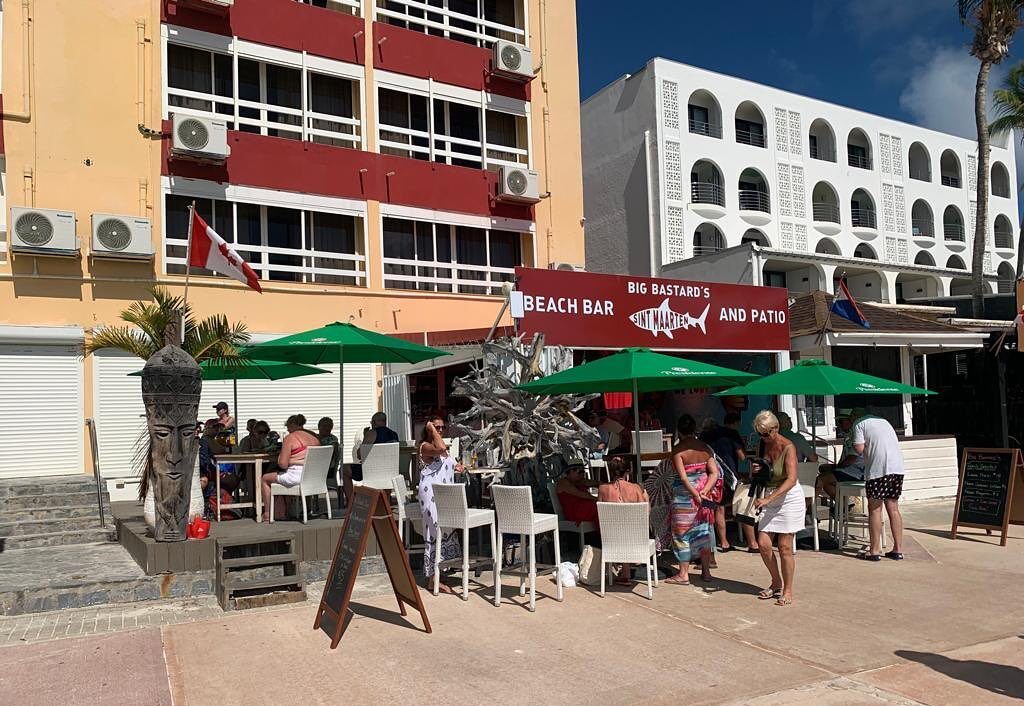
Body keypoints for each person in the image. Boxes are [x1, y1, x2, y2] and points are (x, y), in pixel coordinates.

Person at [751, 410, 802, 606]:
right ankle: (776, 581)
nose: (763, 437)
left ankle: (787, 590)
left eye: (766, 433)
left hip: (788, 497)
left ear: (776, 428)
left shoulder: (788, 446)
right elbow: (759, 470)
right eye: (760, 434)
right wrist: (756, 469)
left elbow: (791, 479)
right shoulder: (761, 444)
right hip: (770, 495)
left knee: (784, 546)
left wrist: (769, 499)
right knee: (763, 543)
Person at [662, 414, 719, 586]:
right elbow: (714, 473)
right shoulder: (705, 448)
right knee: (703, 534)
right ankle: (706, 572)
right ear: (695, 429)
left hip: (683, 499)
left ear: (679, 430)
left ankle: (683, 574)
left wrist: (694, 493)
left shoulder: (678, 451)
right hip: (703, 497)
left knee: (682, 535)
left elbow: (684, 478)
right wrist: (704, 491)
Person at [416, 414, 462, 592]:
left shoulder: (440, 449)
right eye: (437, 427)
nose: (440, 430)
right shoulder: (425, 446)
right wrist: (431, 429)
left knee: (446, 529)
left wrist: (457, 467)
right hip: (431, 494)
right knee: (435, 532)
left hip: (444, 494)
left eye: (442, 427)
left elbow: (449, 462)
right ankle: (432, 579)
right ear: (429, 429)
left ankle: (439, 574)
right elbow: (441, 447)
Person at [852, 411, 905, 561]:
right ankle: (898, 549)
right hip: (897, 468)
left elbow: (859, 449)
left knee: (875, 508)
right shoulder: (884, 421)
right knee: (893, 508)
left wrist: (852, 439)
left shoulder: (859, 424)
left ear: (852, 417)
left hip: (879, 470)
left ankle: (874, 550)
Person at [701, 413, 754, 553]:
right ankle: (752, 542)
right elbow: (742, 456)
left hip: (711, 477)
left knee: (719, 508)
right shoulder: (731, 434)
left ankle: (724, 542)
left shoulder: (703, 437)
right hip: (730, 476)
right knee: (742, 504)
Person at [598, 457, 650, 585]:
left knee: (621, 527)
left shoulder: (603, 489)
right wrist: (647, 499)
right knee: (628, 527)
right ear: (628, 471)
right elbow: (645, 513)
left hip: (611, 539)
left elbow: (600, 512)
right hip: (635, 539)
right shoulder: (636, 488)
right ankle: (626, 572)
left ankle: (624, 573)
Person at [260, 414, 320, 522]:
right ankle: (291, 510)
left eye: (287, 426)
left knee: (265, 478)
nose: (287, 430)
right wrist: (296, 460)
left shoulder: (290, 438)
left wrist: (287, 459)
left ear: (292, 425)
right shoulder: (315, 438)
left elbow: (282, 464)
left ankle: (268, 513)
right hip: (313, 477)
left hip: (296, 476)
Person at [816, 409, 866, 500]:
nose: (839, 424)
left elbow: (851, 459)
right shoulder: (849, 435)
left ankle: (807, 507)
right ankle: (843, 505)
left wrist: (837, 467)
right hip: (850, 470)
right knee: (823, 469)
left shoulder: (856, 435)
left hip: (856, 472)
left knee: (820, 479)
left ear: (850, 421)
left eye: (841, 421)